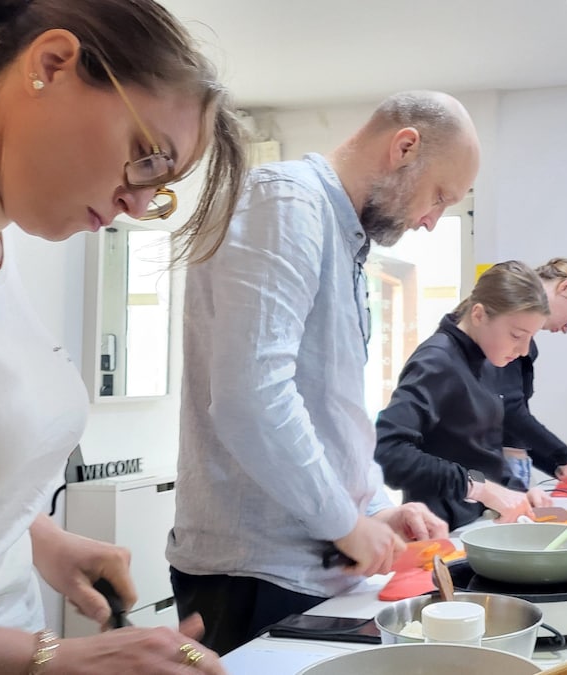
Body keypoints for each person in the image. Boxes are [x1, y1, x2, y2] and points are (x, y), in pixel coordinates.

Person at [0, 0, 247, 672]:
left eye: (162, 188)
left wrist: (39, 538)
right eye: (147, 158)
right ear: (53, 64)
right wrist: (53, 656)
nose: (139, 205)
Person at [167, 90, 479, 655]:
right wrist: (345, 522)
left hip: (312, 570)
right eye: (439, 196)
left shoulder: (344, 236)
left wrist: (380, 509)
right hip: (256, 574)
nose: (432, 221)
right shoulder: (286, 202)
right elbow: (251, 399)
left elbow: (329, 411)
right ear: (404, 147)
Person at [375, 261, 558, 530]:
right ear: (479, 314)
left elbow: (480, 451)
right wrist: (480, 489)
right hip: (441, 531)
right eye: (517, 335)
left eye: (530, 337)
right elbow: (387, 451)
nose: (523, 350)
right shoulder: (437, 361)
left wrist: (514, 494)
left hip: (476, 523)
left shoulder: (487, 357)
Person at [496, 258, 567, 485]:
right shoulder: (500, 329)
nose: (566, 329)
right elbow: (509, 410)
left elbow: (515, 420)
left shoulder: (526, 343)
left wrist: (556, 465)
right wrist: (564, 456)